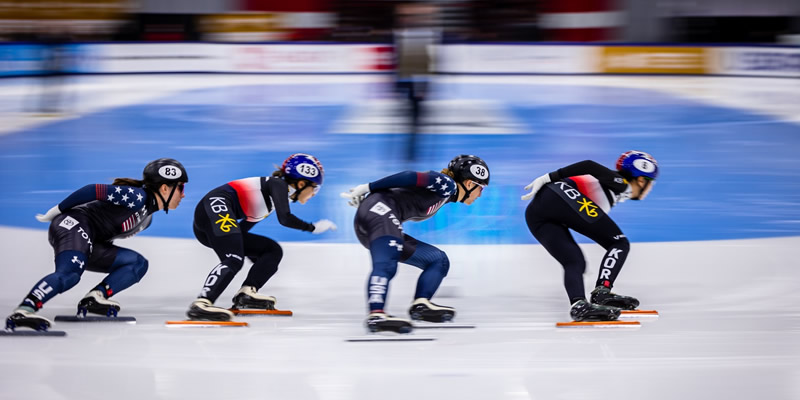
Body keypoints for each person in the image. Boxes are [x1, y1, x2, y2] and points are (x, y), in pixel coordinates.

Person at [5, 158, 188, 331]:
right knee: (69, 275)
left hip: (88, 237)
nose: (183, 194)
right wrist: (58, 210)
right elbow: (93, 190)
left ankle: (95, 298)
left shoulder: (146, 219)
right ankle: (24, 311)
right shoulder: (137, 197)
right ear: (165, 188)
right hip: (73, 224)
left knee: (137, 263)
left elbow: (105, 233)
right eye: (181, 188)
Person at [341, 154, 489, 333]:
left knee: (437, 260)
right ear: (469, 184)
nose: (480, 195)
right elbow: (410, 176)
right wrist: (367, 187)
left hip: (379, 216)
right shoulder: (447, 184)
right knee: (387, 265)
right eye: (481, 189)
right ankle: (376, 314)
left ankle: (421, 304)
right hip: (380, 213)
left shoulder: (446, 194)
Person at [186, 153, 337, 321]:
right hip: (213, 209)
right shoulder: (277, 184)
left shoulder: (269, 201)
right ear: (301, 183)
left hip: (209, 220)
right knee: (234, 258)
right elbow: (285, 218)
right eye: (315, 188)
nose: (314, 193)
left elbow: (240, 234)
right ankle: (202, 303)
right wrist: (312, 228)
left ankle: (247, 293)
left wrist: (261, 264)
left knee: (271, 250)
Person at [522, 151, 659, 322]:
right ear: (641, 180)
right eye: (651, 183)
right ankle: (602, 291)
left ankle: (578, 305)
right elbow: (589, 165)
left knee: (574, 261)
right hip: (559, 194)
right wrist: (549, 177)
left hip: (535, 214)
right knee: (619, 242)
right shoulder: (622, 184)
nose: (650, 188)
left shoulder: (611, 192)